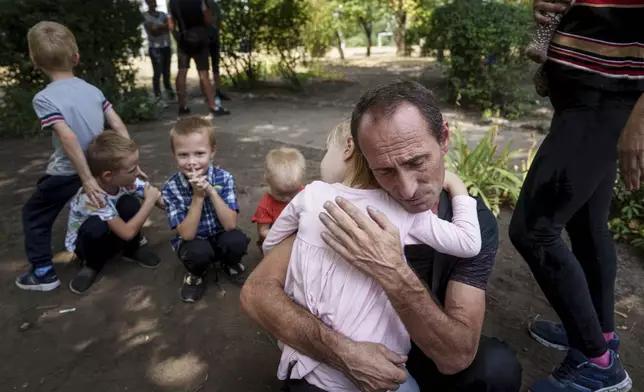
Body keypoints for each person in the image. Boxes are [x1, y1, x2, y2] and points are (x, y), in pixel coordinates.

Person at [241, 80, 523, 392]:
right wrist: (342, 353)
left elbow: (455, 356)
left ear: (444, 138)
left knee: (495, 368)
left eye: (417, 162)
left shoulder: (472, 220)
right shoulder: (341, 207)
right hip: (345, 347)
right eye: (385, 171)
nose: (407, 190)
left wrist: (390, 269)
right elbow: (257, 292)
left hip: (426, 343)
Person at [262, 119, 482, 392]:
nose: (323, 159)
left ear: (348, 148)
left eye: (326, 150)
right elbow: (469, 242)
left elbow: (270, 244)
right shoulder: (403, 211)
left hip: (313, 363)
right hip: (384, 369)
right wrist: (457, 186)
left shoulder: (312, 195)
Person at [509, 0, 644, 391]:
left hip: (609, 95)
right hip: (584, 94)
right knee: (586, 223)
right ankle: (597, 335)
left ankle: (598, 363)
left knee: (533, 230)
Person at [16, 21, 135, 292]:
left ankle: (43, 272)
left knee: (34, 214)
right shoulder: (92, 90)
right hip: (102, 165)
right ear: (76, 57)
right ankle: (128, 242)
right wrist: (128, 162)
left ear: (36, 61)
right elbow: (117, 125)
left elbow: (68, 137)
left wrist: (84, 177)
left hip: (69, 171)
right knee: (112, 202)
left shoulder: (44, 98)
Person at [162, 116, 249, 303]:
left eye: (199, 153)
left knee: (236, 240)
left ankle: (230, 263)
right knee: (197, 252)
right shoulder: (171, 187)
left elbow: (230, 224)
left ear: (212, 152)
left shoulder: (224, 178)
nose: (192, 162)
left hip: (220, 235)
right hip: (195, 242)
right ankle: (196, 274)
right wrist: (198, 196)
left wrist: (210, 191)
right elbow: (186, 235)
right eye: (183, 155)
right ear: (174, 154)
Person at [65, 132, 163, 294]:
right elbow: (126, 232)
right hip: (89, 243)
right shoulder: (93, 198)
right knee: (95, 226)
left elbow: (160, 199)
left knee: (129, 203)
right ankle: (91, 265)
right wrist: (149, 202)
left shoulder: (125, 180)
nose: (138, 172)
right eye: (133, 169)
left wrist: (192, 208)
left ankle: (131, 250)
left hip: (115, 232)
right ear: (108, 176)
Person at [168, 0, 229, 117]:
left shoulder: (172, 3)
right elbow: (208, 19)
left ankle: (182, 106)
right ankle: (212, 106)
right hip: (200, 38)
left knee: (182, 72)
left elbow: (171, 26)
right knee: (203, 73)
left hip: (183, 39)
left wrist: (178, 37)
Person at [252, 147, 306, 252]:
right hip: (275, 243)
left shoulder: (305, 194)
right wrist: (283, 238)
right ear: (267, 179)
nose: (286, 198)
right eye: (280, 193)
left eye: (293, 193)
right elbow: (263, 231)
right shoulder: (266, 205)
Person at [143, 0, 175, 101]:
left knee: (167, 72)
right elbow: (152, 31)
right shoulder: (145, 16)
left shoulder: (163, 14)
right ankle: (158, 96)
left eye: (154, 1)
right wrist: (163, 27)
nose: (153, 4)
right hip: (155, 49)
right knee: (157, 72)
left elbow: (170, 27)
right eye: (150, 2)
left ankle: (170, 94)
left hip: (166, 46)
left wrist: (158, 27)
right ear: (147, 3)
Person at [205, 0, 230, 102]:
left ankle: (212, 93)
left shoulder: (205, 4)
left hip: (208, 38)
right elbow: (219, 23)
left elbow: (219, 22)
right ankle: (215, 92)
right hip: (211, 38)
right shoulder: (213, 4)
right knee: (213, 67)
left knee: (206, 68)